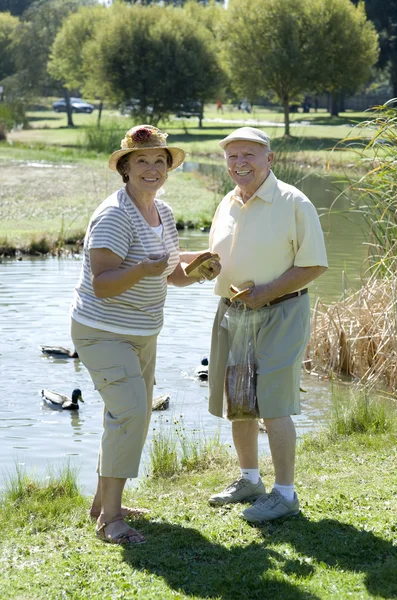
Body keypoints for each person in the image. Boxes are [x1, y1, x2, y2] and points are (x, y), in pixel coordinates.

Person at [70, 124, 220, 545]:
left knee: (125, 415)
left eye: (160, 161)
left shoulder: (163, 212)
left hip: (143, 331)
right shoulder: (114, 215)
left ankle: (103, 505)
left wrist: (197, 269)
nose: (152, 168)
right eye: (142, 161)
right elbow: (103, 282)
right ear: (125, 168)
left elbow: (170, 273)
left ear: (168, 169)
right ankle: (111, 522)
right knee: (132, 411)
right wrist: (140, 270)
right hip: (101, 331)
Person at [207, 126, 328, 522]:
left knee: (274, 404)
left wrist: (266, 291)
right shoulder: (227, 201)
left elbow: (314, 264)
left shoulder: (294, 202)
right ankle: (249, 480)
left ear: (269, 159)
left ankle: (286, 494)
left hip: (281, 312)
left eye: (249, 155)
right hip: (233, 313)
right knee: (239, 402)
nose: (239, 163)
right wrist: (201, 265)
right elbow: (223, 255)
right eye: (232, 157)